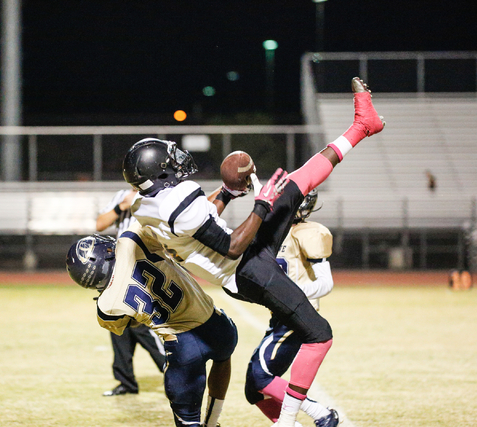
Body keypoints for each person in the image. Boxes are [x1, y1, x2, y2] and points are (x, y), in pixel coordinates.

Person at [122, 77, 385, 427]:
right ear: (161, 172)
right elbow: (231, 247)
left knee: (297, 183)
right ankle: (289, 421)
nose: (178, 162)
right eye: (170, 161)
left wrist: (229, 193)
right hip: (244, 272)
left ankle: (362, 126)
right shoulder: (179, 206)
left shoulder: (151, 203)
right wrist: (260, 206)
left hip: (247, 261)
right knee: (319, 335)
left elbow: (206, 219)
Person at [66, 223, 238, 427]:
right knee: (223, 357)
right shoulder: (130, 241)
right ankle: (212, 422)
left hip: (182, 346)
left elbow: (130, 324)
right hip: (216, 323)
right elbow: (167, 223)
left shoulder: (106, 307)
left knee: (188, 420)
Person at [245, 189, 339, 427]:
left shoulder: (307, 233)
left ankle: (319, 413)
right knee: (253, 389)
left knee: (260, 376)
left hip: (296, 314)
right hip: (280, 316)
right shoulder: (275, 234)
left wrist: (287, 295)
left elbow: (326, 283)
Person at [95, 188, 166, 396]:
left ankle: (175, 370)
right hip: (120, 270)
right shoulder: (121, 195)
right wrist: (121, 207)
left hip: (146, 268)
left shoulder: (158, 195)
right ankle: (126, 381)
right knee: (117, 323)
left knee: (143, 326)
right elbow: (100, 224)